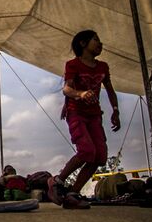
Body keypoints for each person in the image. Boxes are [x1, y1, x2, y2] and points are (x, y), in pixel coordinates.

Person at [47, 30, 121, 210]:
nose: (100, 43)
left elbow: (110, 90)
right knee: (87, 150)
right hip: (76, 112)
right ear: (82, 43)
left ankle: (73, 192)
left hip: (95, 116)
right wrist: (80, 94)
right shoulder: (73, 64)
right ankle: (56, 181)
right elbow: (67, 89)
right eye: (96, 39)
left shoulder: (103, 67)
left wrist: (116, 110)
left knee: (100, 156)